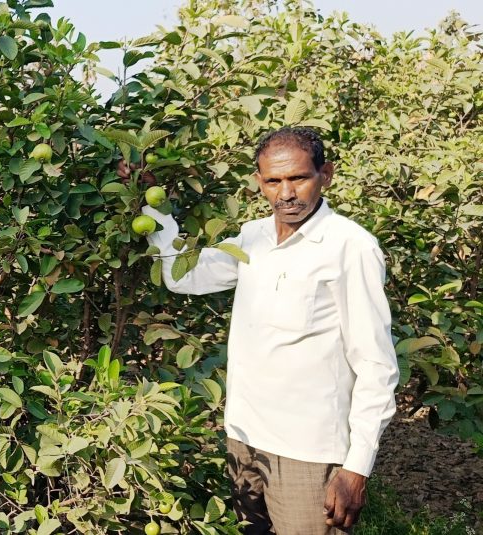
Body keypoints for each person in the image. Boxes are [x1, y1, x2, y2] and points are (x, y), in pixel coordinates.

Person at [134, 127, 398, 534]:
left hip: (307, 450)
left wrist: (357, 467)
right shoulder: (253, 237)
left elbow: (376, 363)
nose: (286, 193)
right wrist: (154, 208)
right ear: (259, 182)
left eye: (299, 178)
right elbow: (183, 276)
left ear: (325, 175)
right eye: (273, 181)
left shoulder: (350, 246)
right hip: (244, 439)